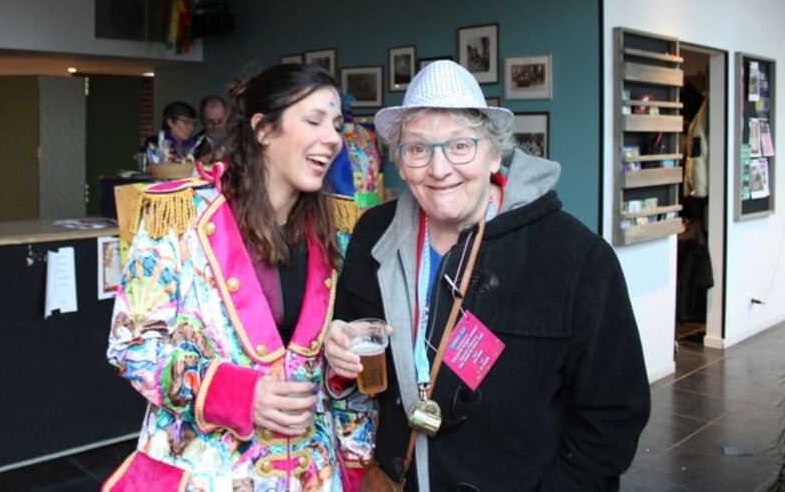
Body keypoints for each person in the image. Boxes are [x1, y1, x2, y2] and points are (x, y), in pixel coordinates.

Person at [324, 60, 650, 491]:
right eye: (418, 149)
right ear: (400, 163)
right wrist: (338, 356)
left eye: (460, 146)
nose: (439, 169)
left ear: (495, 154)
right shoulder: (373, 234)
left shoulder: (577, 258)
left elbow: (612, 415)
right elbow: (347, 349)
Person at [105, 63, 374, 491]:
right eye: (314, 121)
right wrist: (237, 394)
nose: (333, 138)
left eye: (337, 125)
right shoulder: (179, 217)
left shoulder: (338, 230)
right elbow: (132, 347)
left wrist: (341, 364)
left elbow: (337, 377)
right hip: (209, 475)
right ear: (263, 129)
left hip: (314, 475)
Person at [194, 94, 228, 163]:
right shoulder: (193, 146)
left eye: (220, 121)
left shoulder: (241, 141)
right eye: (210, 122)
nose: (216, 126)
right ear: (201, 120)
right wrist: (197, 164)